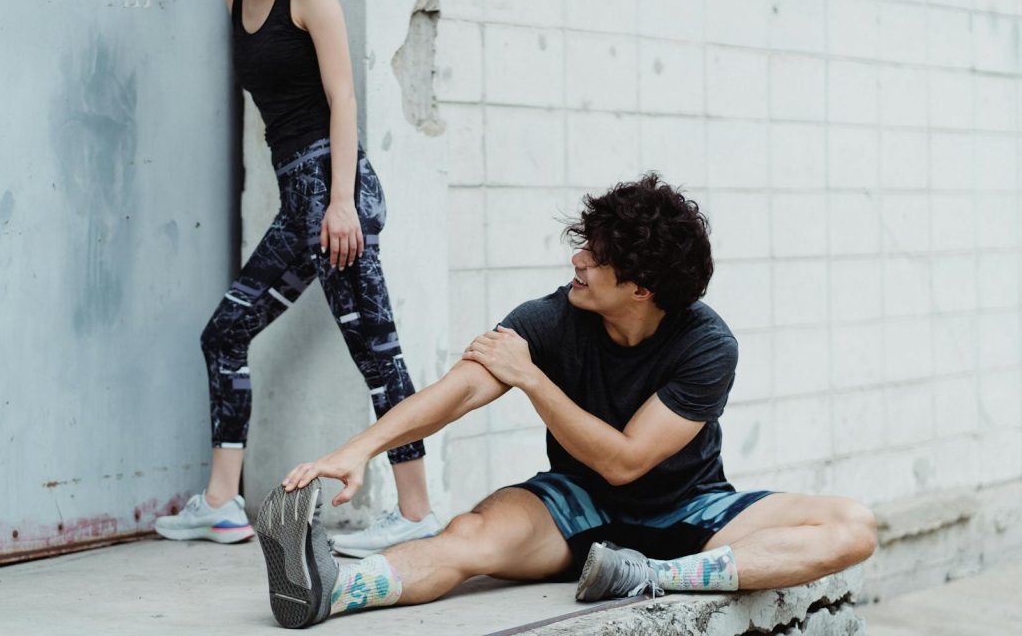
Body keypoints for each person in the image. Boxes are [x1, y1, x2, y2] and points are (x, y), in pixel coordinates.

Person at [254, 174, 877, 629]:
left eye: (597, 259)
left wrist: (532, 380)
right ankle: (333, 589)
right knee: (470, 536)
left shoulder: (707, 346)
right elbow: (461, 391)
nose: (577, 260)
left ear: (641, 288)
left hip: (689, 512)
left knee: (852, 525)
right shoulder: (552, 316)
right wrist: (357, 449)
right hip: (576, 506)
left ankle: (654, 577)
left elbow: (627, 460)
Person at [84, 0, 439, 554]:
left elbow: (343, 100)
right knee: (225, 334)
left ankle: (417, 509)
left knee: (377, 353)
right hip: (299, 202)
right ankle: (222, 504)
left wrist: (341, 204)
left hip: (336, 197)